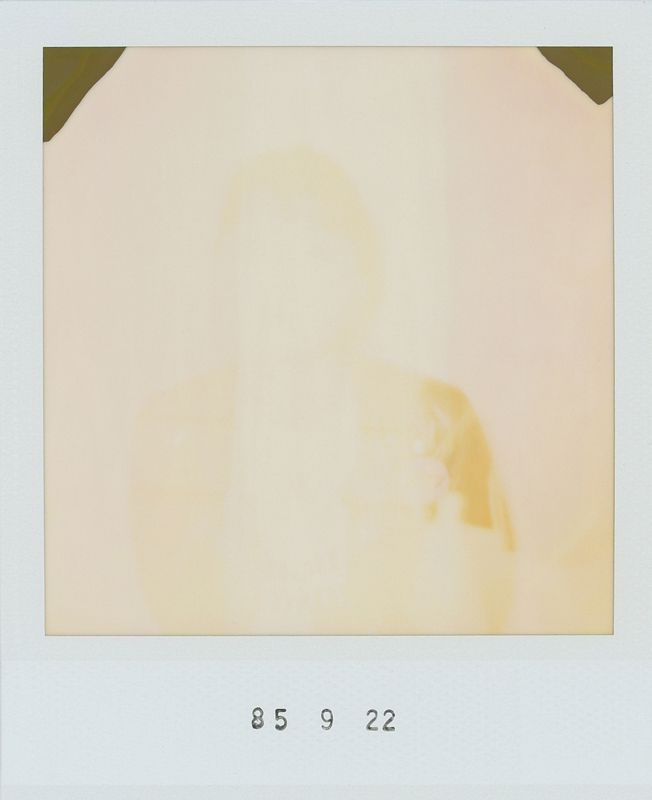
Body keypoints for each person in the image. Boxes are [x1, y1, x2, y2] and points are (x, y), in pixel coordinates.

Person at [129, 147, 515, 634]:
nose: (283, 283)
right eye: (259, 252)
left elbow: (482, 621)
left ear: (361, 277)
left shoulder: (439, 418)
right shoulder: (174, 428)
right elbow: (172, 619)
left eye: (315, 252)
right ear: (225, 276)